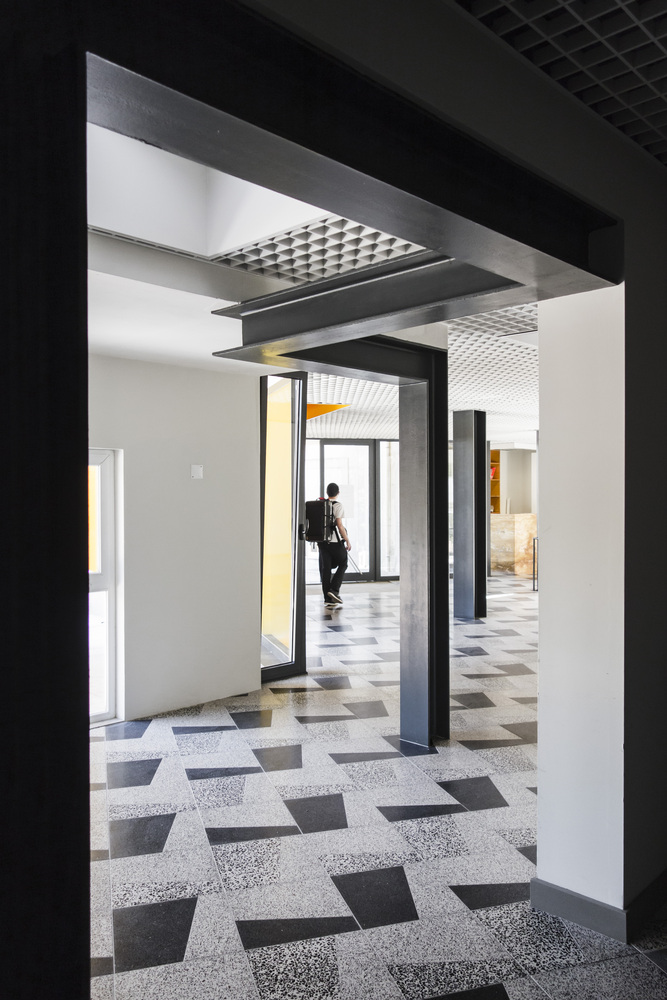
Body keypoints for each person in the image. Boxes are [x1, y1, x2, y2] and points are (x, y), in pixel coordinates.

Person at [317, 483, 351, 608]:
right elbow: (339, 525)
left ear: (327, 493)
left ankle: (328, 599)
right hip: (335, 542)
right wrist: (347, 540)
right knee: (343, 562)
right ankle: (334, 590)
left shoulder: (320, 505)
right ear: (338, 493)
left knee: (325, 569)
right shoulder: (338, 505)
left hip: (322, 542)